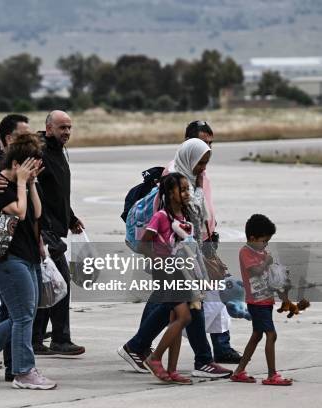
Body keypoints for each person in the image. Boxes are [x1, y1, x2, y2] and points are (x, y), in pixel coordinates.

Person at [119, 138, 233, 378]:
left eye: (206, 163)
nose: (203, 168)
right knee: (179, 308)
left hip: (185, 259)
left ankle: (147, 349)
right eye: (200, 163)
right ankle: (149, 351)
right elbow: (163, 230)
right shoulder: (173, 185)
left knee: (182, 307)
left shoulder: (191, 183)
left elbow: (195, 225)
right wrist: (159, 260)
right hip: (172, 262)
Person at [0, 133, 56, 390]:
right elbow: (20, 211)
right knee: (23, 316)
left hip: (28, 257)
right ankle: (23, 372)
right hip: (5, 259)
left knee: (23, 315)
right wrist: (21, 183)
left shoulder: (23, 184)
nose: (34, 169)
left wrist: (32, 183)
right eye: (30, 165)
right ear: (16, 164)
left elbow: (36, 213)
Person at [182, 120, 241, 364]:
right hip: (189, 247)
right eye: (203, 143)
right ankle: (141, 344)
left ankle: (221, 347)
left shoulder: (201, 171)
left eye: (211, 143)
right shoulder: (178, 172)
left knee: (216, 294)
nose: (209, 148)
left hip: (207, 242)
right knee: (172, 303)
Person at [32, 110, 85, 356]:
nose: (66, 132)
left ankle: (36, 338)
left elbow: (58, 194)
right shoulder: (39, 152)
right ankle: (60, 339)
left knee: (49, 283)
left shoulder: (58, 152)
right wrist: (40, 227)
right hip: (44, 229)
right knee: (59, 281)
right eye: (62, 127)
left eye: (69, 128)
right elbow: (36, 192)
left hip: (55, 227)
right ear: (49, 128)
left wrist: (71, 217)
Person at [139, 173, 194, 384]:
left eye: (188, 189)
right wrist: (159, 261)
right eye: (183, 190)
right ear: (170, 193)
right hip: (165, 272)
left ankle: (172, 370)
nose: (187, 193)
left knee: (176, 320)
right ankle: (155, 358)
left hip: (181, 272)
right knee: (184, 317)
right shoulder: (161, 216)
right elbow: (143, 244)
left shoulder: (184, 217)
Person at [230, 214, 292, 385]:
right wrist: (265, 261)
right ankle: (272, 375)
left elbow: (270, 276)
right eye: (264, 241)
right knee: (271, 335)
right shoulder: (246, 252)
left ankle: (239, 371)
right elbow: (255, 271)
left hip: (266, 301)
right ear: (252, 238)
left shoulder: (262, 252)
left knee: (257, 335)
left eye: (267, 241)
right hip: (256, 303)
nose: (265, 245)